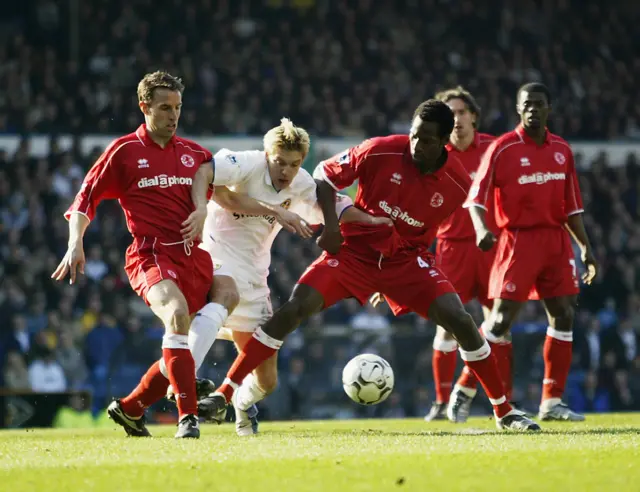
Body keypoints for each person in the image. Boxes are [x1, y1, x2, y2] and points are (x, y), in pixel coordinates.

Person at [199, 100, 541, 432]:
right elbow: (325, 177)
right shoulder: (380, 150)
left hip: (407, 260)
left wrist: (393, 280)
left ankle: (504, 410)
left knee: (460, 320)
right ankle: (224, 393)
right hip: (354, 252)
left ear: (444, 142)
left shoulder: (456, 184)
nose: (417, 143)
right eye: (415, 133)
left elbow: (428, 231)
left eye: (427, 139)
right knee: (295, 306)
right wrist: (332, 228)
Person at [166, 118, 389, 436]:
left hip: (255, 277)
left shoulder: (301, 184)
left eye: (294, 165)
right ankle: (184, 391)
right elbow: (211, 182)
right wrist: (272, 211)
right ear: (266, 154)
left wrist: (371, 220)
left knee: (267, 380)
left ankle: (242, 404)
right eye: (280, 162)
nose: (286, 171)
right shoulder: (245, 163)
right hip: (214, 258)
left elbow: (335, 209)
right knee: (220, 300)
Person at [52, 71, 214, 439]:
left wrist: (273, 211)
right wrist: (75, 241)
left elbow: (225, 192)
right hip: (151, 254)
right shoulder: (124, 151)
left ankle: (131, 408)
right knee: (175, 315)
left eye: (178, 108)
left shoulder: (195, 154)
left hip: (194, 256)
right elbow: (85, 198)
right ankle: (188, 417)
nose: (173, 116)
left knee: (227, 296)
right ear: (144, 107)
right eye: (164, 108)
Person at [461, 82, 598, 422]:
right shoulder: (503, 148)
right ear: (518, 109)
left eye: (539, 104)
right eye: (527, 104)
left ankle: (551, 402)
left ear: (549, 108)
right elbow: (475, 200)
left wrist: (586, 248)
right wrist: (481, 229)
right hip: (517, 240)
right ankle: (465, 386)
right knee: (502, 318)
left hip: (555, 241)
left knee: (564, 313)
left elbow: (572, 208)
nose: (533, 109)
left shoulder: (562, 150)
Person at [417, 87, 498, 422]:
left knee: (499, 325)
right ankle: (440, 401)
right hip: (451, 248)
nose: (458, 120)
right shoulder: (437, 153)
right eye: (451, 115)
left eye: (462, 112)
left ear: (474, 115)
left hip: (493, 247)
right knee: (447, 328)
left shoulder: (496, 148)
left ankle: (471, 391)